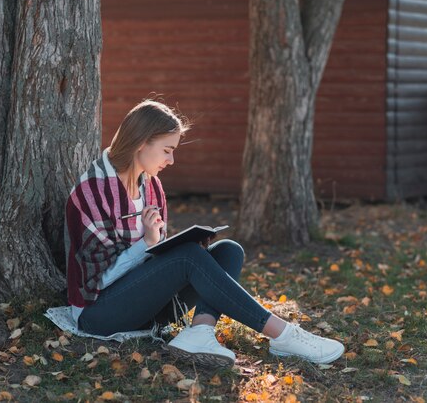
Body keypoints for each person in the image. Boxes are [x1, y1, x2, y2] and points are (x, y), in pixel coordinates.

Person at [65, 99, 345, 367]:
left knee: (228, 250)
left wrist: (173, 246)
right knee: (187, 257)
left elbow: (154, 263)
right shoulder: (92, 192)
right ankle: (283, 335)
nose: (172, 160)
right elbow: (96, 281)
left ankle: (199, 333)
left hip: (144, 307)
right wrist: (149, 244)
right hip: (98, 313)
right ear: (141, 142)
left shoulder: (150, 187)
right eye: (167, 150)